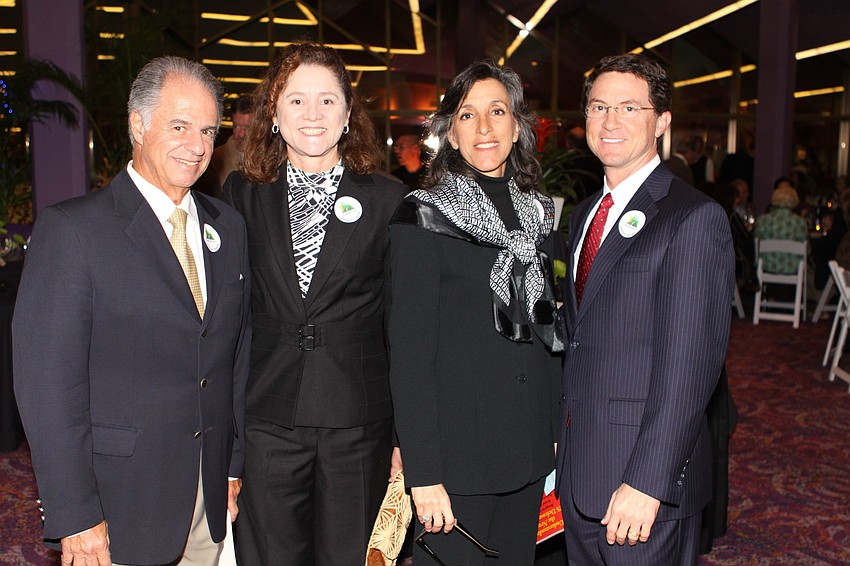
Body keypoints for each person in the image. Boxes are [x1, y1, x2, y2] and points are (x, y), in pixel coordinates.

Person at [13, 56, 251, 565]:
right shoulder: (74, 232)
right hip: (119, 505)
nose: (197, 146)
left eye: (208, 130)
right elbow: (47, 386)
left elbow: (233, 353)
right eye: (180, 126)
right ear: (137, 125)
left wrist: (232, 466)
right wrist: (75, 514)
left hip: (208, 498)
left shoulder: (227, 228)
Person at [223, 42, 404, 566]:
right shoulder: (241, 195)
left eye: (327, 100)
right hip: (267, 416)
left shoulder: (389, 199)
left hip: (358, 422)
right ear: (273, 114)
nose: (312, 114)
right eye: (296, 100)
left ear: (349, 114)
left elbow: (402, 328)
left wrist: (404, 439)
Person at [556, 53, 734, 565]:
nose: (610, 122)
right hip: (582, 472)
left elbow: (690, 368)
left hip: (642, 487)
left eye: (630, 108)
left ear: (662, 121)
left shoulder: (693, 218)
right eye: (598, 107)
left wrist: (647, 482)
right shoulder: (587, 213)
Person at [389, 60, 564, 565]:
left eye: (497, 112)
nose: (484, 128)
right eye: (468, 115)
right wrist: (423, 473)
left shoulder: (537, 214)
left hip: (528, 451)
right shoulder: (422, 217)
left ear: (517, 126)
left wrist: (552, 436)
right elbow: (411, 356)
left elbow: (547, 335)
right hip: (457, 464)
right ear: (449, 131)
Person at [194, 94, 255, 198]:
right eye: (236, 126)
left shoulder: (272, 157)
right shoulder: (216, 160)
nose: (241, 134)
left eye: (247, 127)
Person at [754, 179, 808, 274]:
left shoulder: (762, 220)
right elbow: (805, 246)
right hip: (792, 268)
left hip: (767, 266)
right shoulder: (800, 222)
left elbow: (757, 241)